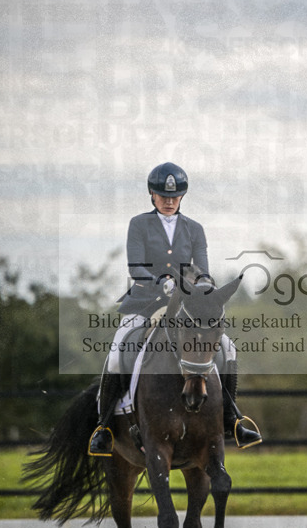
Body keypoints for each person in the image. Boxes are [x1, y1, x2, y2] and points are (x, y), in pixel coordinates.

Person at [88, 162, 262, 455]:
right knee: (118, 350)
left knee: (228, 348)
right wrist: (162, 283)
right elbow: (135, 268)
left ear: (182, 197)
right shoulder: (139, 224)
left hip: (186, 305)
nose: (169, 202)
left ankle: (232, 418)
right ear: (152, 195)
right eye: (163, 196)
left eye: (175, 196)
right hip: (146, 302)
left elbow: (203, 270)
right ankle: (104, 427)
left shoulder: (194, 229)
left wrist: (202, 286)